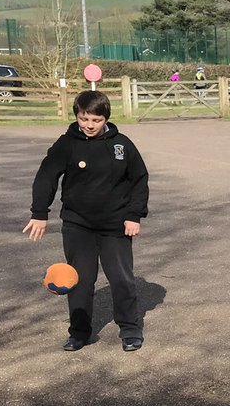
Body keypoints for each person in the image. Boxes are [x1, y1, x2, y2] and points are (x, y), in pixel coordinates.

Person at [23, 90, 150, 352]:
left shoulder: (122, 145)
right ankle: (79, 332)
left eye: (95, 120)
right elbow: (46, 176)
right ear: (77, 116)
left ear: (106, 118)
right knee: (79, 280)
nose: (89, 125)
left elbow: (139, 180)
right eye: (83, 119)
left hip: (115, 225)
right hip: (77, 225)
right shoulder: (66, 144)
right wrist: (39, 213)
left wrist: (134, 215)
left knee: (121, 279)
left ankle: (130, 329)